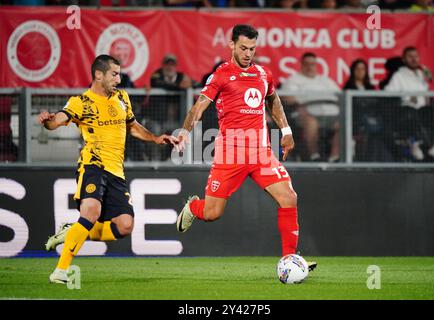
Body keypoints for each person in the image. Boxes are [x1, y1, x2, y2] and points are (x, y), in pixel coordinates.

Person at [174, 24, 317, 271]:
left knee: (289, 197)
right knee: (212, 213)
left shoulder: (264, 74)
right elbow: (198, 107)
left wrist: (286, 131)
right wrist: (185, 132)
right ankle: (193, 206)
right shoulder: (220, 74)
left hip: (261, 152)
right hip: (230, 153)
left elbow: (273, 100)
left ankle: (289, 259)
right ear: (231, 45)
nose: (248, 53)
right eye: (243, 48)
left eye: (252, 48)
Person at [38, 55, 178, 284]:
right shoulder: (81, 102)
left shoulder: (122, 98)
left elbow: (133, 127)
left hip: (116, 171)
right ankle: (61, 270)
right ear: (98, 74)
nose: (119, 78)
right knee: (90, 213)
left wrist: (155, 138)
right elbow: (57, 121)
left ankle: (71, 231)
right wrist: (47, 121)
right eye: (114, 74)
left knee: (125, 225)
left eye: (119, 73)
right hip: (93, 165)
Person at [281, 52, 341, 162]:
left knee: (343, 124)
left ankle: (334, 157)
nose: (310, 67)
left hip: (331, 114)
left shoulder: (325, 80)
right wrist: (300, 104)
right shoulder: (294, 80)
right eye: (307, 64)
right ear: (302, 65)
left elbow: (341, 96)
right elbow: (287, 98)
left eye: (312, 64)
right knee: (311, 122)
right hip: (307, 114)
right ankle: (314, 156)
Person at [384, 46, 434, 161]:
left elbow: (429, 89)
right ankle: (416, 143)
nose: (414, 59)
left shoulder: (422, 73)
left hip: (423, 109)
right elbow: (388, 92)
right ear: (404, 59)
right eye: (410, 57)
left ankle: (432, 145)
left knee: (430, 112)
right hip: (407, 110)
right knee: (411, 113)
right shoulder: (399, 75)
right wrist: (408, 97)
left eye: (416, 56)